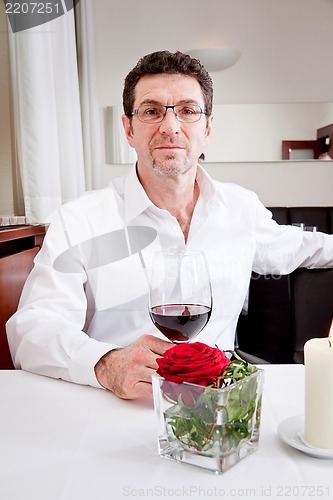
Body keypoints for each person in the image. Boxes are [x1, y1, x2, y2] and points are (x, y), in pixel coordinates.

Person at [6, 51, 333, 399]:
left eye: (188, 111)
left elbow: (298, 247)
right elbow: (33, 328)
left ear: (207, 129)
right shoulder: (79, 220)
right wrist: (105, 364)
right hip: (114, 405)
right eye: (151, 111)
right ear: (129, 129)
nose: (170, 126)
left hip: (217, 407)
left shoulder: (240, 208)